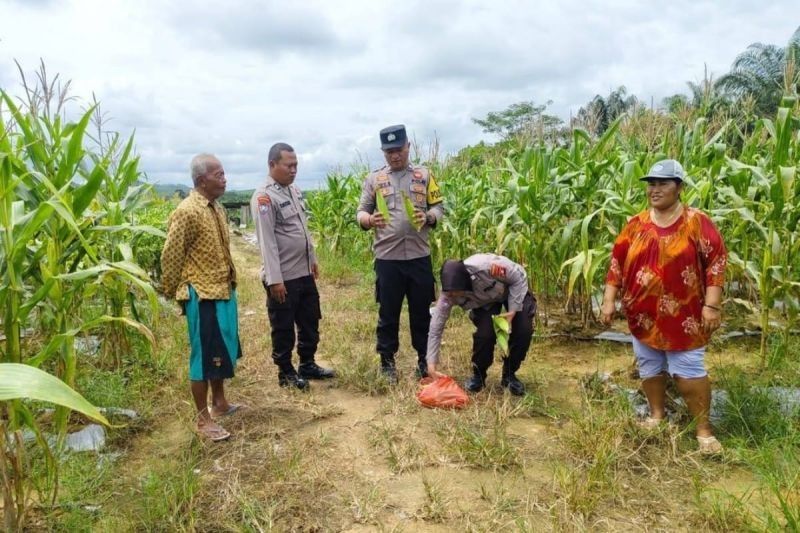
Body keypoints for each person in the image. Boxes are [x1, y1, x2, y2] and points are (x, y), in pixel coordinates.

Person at [600, 159, 727, 454]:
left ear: (679, 188)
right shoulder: (636, 224)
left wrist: (712, 305)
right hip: (642, 314)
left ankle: (704, 430)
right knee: (650, 366)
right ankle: (658, 415)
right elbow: (616, 263)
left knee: (688, 370)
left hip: (684, 317)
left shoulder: (697, 222)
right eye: (651, 184)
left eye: (663, 183)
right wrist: (608, 300)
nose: (655, 190)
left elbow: (716, 263)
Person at [161, 154, 242, 442]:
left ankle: (220, 403)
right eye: (218, 174)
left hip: (222, 289)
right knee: (203, 356)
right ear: (201, 180)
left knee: (220, 351)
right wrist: (175, 293)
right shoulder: (187, 211)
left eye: (224, 173)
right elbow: (171, 255)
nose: (224, 178)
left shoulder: (216, 208)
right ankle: (202, 419)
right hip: (203, 293)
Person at [356, 125, 444, 383]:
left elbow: (439, 206)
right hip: (388, 259)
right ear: (384, 153)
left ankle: (422, 361)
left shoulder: (424, 175)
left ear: (408, 147)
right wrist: (369, 220)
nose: (395, 156)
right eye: (389, 152)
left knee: (421, 312)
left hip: (419, 257)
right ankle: (387, 363)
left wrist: (428, 216)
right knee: (388, 313)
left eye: (399, 150)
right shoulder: (374, 179)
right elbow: (360, 211)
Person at [251, 143, 333, 390]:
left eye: (296, 165)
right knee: (284, 327)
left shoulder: (293, 191)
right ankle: (286, 372)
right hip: (283, 277)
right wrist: (275, 280)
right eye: (289, 165)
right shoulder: (264, 197)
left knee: (310, 321)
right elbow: (267, 242)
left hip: (303, 272)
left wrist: (313, 260)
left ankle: (307, 363)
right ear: (272, 165)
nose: (294, 170)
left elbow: (302, 230)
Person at [426, 254, 537, 396]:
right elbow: (435, 329)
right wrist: (431, 365)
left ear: (465, 281)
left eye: (457, 292)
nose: (453, 296)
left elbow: (517, 277)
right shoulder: (448, 295)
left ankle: (509, 374)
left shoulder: (487, 268)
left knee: (523, 330)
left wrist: (512, 311)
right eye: (450, 293)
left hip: (512, 288)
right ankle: (479, 375)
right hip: (486, 303)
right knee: (485, 335)